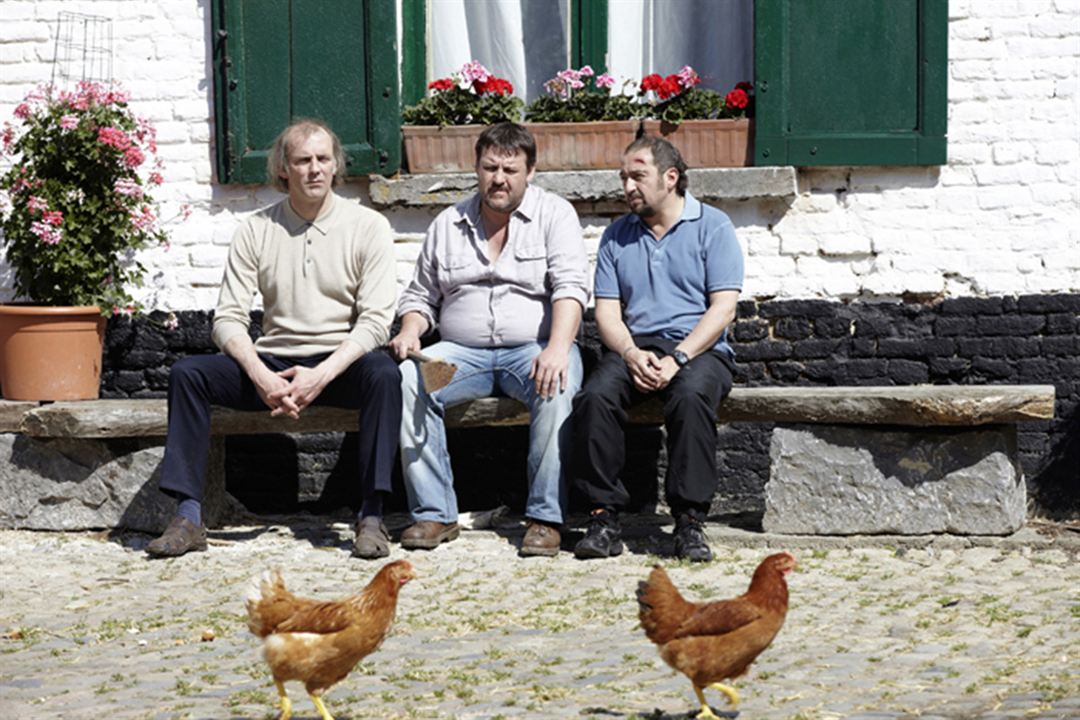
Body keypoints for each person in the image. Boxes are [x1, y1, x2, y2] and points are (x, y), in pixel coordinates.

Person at [146, 119, 401, 560]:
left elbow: (377, 321)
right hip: (274, 363)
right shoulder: (256, 229)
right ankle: (188, 516)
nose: (315, 170)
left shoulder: (368, 226)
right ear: (284, 169)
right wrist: (262, 376)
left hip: (336, 363)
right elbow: (227, 319)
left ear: (337, 163)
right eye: (303, 160)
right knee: (188, 374)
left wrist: (320, 376)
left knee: (384, 375)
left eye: (323, 159)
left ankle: (372, 516)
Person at [388, 122, 589, 557]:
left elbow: (571, 288)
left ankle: (545, 518)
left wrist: (557, 348)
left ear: (530, 171)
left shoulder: (555, 215)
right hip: (462, 354)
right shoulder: (448, 223)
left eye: (510, 170)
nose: (499, 178)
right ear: (476, 168)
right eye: (490, 167)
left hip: (533, 347)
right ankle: (434, 513)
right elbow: (420, 295)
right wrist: (409, 329)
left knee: (559, 382)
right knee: (408, 378)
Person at [571, 135, 743, 563]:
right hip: (638, 347)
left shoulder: (714, 225)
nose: (628, 186)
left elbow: (723, 309)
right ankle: (603, 515)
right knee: (594, 396)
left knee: (689, 395)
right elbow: (607, 313)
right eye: (623, 177)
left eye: (638, 176)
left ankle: (688, 522)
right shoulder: (616, 236)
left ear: (670, 178)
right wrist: (630, 354)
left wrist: (679, 358)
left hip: (700, 351)